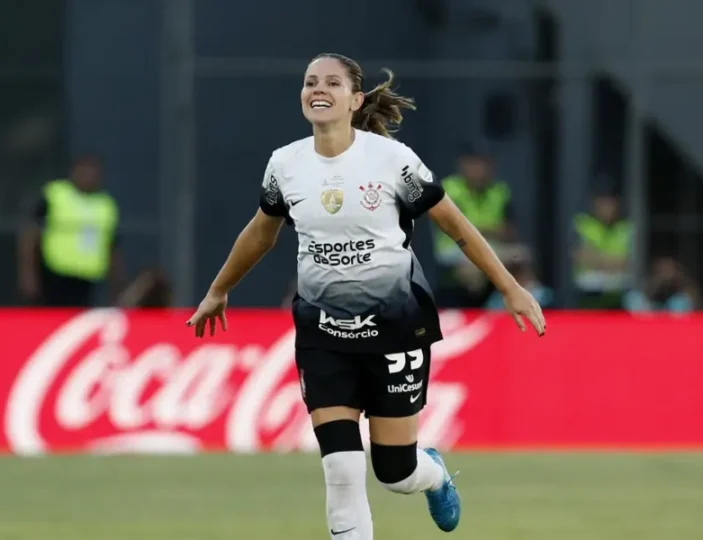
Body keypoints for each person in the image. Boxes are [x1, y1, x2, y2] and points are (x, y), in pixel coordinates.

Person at [187, 53, 546, 539]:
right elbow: (261, 233)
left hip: (396, 326)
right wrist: (218, 289)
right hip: (323, 332)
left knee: (395, 472)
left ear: (355, 100)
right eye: (311, 81)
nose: (318, 88)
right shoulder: (285, 164)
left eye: (331, 82)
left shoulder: (390, 160)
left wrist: (510, 287)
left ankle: (434, 474)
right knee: (340, 472)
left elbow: (456, 225)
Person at [17, 156, 123, 307]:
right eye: (84, 172)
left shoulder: (106, 205)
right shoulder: (55, 194)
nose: (89, 177)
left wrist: (116, 285)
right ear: (74, 172)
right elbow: (30, 233)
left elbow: (112, 247)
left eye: (93, 174)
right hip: (55, 275)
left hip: (90, 279)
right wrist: (28, 273)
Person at [433, 144, 517, 307]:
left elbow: (509, 232)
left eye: (483, 164)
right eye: (474, 164)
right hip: (455, 248)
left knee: (521, 257)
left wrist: (477, 228)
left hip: (493, 247)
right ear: (463, 165)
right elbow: (455, 228)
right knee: (473, 263)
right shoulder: (450, 188)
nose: (478, 169)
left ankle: (515, 310)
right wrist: (489, 229)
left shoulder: (499, 191)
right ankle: (476, 309)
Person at [573, 189, 631, 309]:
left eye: (611, 203)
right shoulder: (583, 224)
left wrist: (597, 259)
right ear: (595, 203)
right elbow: (581, 257)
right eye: (603, 202)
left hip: (619, 297)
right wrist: (614, 261)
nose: (607, 207)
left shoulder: (625, 227)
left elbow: (629, 262)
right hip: (587, 296)